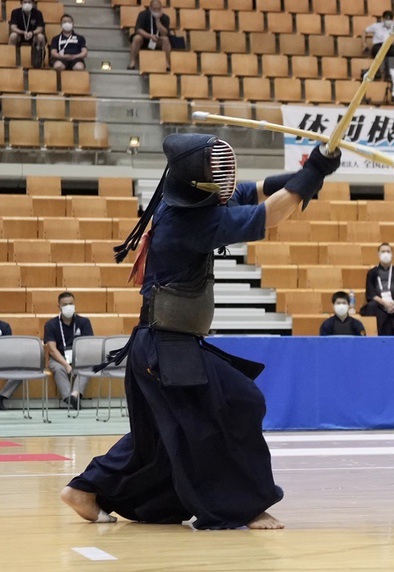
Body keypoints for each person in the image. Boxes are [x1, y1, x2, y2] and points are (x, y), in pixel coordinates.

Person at [60, 133, 340, 529]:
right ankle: (245, 505)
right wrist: (312, 173)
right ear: (199, 182)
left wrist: (312, 168)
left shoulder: (181, 201)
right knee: (241, 403)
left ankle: (83, 489)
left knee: (157, 438)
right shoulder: (190, 223)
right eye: (218, 171)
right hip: (166, 349)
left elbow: (254, 190)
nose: (228, 178)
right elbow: (271, 214)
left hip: (162, 346)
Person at [43, 292, 94, 409]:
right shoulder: (51, 324)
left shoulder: (84, 322)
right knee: (58, 368)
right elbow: (52, 349)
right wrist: (66, 364)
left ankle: (74, 395)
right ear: (59, 307)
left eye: (71, 303)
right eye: (65, 304)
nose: (68, 307)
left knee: (88, 367)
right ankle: (68, 398)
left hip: (79, 358)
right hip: (58, 358)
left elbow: (88, 345)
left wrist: (77, 361)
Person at [128, 0, 171, 71]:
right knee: (137, 38)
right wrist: (149, 36)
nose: (157, 10)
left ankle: (166, 63)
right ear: (150, 8)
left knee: (165, 39)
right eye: (154, 9)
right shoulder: (143, 14)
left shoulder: (165, 17)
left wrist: (158, 21)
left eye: (159, 9)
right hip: (144, 39)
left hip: (157, 40)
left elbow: (165, 33)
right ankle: (132, 62)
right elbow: (138, 29)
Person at [8, 0, 46, 67]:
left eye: (29, 2)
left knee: (40, 37)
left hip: (33, 35)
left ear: (33, 3)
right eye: (25, 2)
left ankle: (39, 61)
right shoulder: (15, 12)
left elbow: (40, 28)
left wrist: (32, 32)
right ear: (21, 3)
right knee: (12, 36)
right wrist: (23, 32)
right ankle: (11, 60)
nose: (27, 4)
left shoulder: (38, 13)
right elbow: (13, 27)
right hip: (20, 35)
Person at [0, 319, 16, 411]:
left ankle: (2, 396)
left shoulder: (4, 326)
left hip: (3, 358)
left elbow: (8, 347)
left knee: (22, 370)